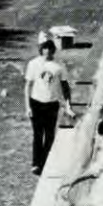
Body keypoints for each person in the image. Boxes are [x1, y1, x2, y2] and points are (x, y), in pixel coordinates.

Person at [24, 34, 73, 174]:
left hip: (52, 104)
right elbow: (27, 86)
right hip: (36, 104)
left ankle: (43, 162)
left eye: (50, 48)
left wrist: (68, 104)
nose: (47, 51)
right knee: (38, 135)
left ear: (53, 50)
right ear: (41, 49)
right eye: (44, 48)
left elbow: (65, 86)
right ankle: (36, 163)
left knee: (50, 135)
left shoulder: (59, 65)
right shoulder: (33, 64)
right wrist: (27, 107)